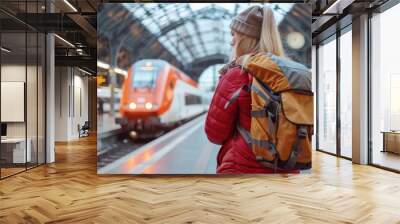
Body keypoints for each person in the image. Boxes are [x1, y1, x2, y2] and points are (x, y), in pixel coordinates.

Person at [205, 5, 298, 174]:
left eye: (234, 34)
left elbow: (215, 134)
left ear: (245, 38)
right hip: (287, 170)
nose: (231, 41)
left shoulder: (237, 74)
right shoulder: (290, 74)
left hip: (241, 168)